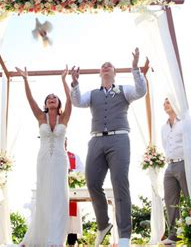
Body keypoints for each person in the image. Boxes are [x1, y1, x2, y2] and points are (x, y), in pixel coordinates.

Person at [70, 47, 147, 247]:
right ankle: (103, 224)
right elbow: (77, 102)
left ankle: (124, 236)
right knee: (92, 182)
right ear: (100, 73)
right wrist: (75, 83)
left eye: (109, 65)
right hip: (96, 140)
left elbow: (141, 91)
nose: (105, 66)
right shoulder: (93, 94)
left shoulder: (124, 90)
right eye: (103, 66)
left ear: (114, 72)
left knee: (119, 183)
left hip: (119, 139)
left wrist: (135, 68)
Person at [17, 65, 72, 246]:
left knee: (59, 196)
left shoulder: (64, 118)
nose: (51, 99)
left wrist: (64, 80)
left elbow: (70, 99)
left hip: (59, 160)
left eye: (54, 98)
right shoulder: (41, 117)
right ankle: (39, 236)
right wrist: (25, 79)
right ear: (45, 104)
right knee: (44, 194)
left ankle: (55, 239)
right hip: (42, 159)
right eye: (48, 98)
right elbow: (29, 99)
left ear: (59, 103)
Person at [160, 98, 191, 245]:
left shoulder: (186, 122)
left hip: (185, 163)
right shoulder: (164, 127)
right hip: (170, 166)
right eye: (164, 103)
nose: (165, 105)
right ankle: (174, 234)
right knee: (170, 200)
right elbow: (165, 146)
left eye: (168, 102)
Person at [65, 137, 85, 247]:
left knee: (72, 219)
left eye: (65, 140)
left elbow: (82, 170)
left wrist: (71, 172)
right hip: (56, 191)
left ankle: (71, 243)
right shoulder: (51, 155)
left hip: (71, 190)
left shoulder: (73, 156)